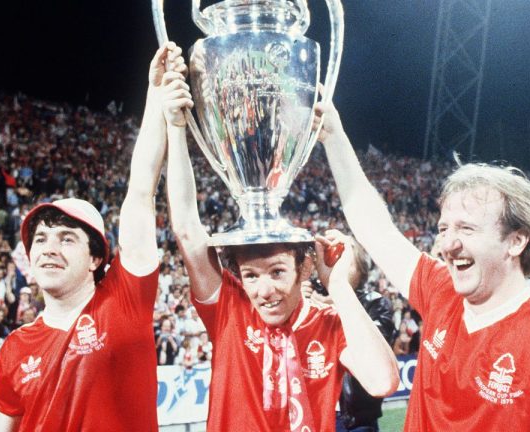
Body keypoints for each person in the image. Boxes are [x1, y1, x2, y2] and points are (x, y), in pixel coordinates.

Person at [314, 100, 530, 431]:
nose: (448, 245)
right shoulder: (440, 290)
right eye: (444, 229)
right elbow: (373, 228)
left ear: (516, 241)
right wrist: (334, 137)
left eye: (467, 229)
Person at [164, 74, 399, 431]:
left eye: (277, 272)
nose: (264, 290)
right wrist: (176, 128)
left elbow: (382, 382)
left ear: (304, 269)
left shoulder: (328, 321)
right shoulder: (229, 310)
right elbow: (186, 229)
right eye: (250, 276)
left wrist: (337, 286)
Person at [0, 42, 191, 432]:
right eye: (41, 239)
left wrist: (154, 94)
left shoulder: (124, 300)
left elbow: (141, 191)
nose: (49, 248)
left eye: (67, 239)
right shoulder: (14, 348)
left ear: (96, 258)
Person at [302, 237, 396, 432]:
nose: (338, 266)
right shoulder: (308, 298)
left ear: (361, 269)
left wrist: (334, 301)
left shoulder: (376, 302)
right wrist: (299, 303)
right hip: (316, 413)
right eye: (333, 258)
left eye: (345, 260)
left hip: (357, 419)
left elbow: (373, 358)